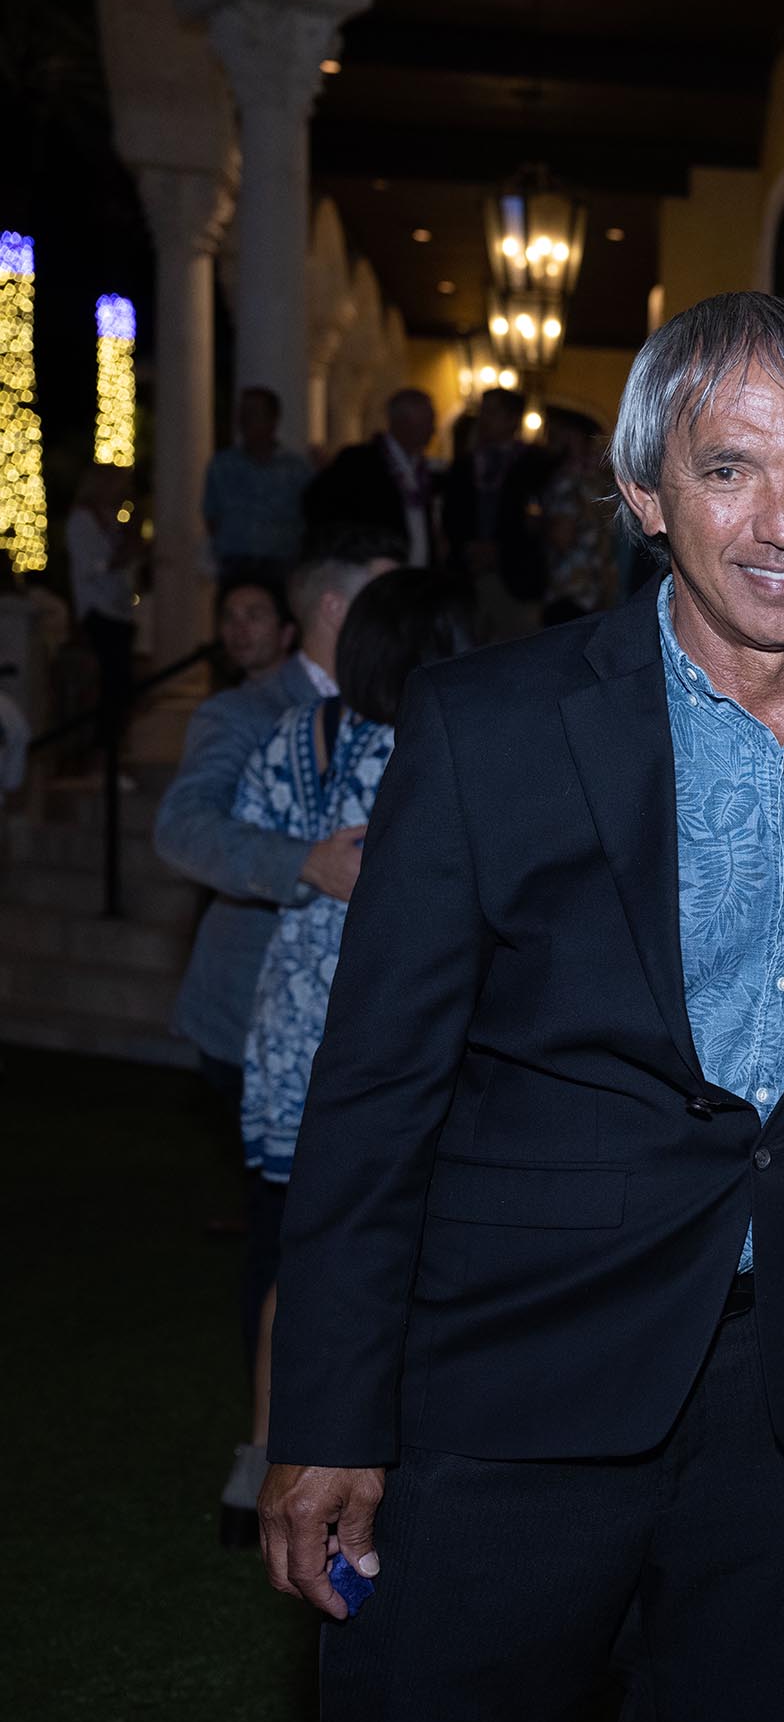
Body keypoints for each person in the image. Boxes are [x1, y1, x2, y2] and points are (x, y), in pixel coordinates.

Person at [255, 292, 784, 1722]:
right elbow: (372, 1098)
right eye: (728, 470)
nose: (780, 522)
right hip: (511, 1382)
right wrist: (323, 1418)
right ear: (647, 495)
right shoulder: (496, 726)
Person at [157, 535, 400, 1545]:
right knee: (284, 1242)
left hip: (355, 1027)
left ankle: (311, 1448)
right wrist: (306, 861)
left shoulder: (404, 716)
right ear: (338, 610)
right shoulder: (245, 712)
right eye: (390, 599)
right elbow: (184, 832)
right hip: (260, 1020)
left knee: (314, 1237)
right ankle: (267, 1458)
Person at [233, 568, 468, 1461]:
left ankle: (264, 1450)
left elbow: (256, 827)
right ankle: (355, 1442)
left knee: (304, 1248)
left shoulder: (300, 729)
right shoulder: (427, 745)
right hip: (375, 1018)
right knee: (369, 1249)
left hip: (289, 1009)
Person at [439, 383, 555, 645]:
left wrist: (499, 550)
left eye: (492, 413)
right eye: (483, 412)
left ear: (512, 419)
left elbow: (538, 524)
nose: (484, 420)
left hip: (516, 577)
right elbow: (451, 515)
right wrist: (467, 547)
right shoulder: (465, 464)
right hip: (468, 575)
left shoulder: (536, 464)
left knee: (521, 649)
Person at [64, 464, 142, 782]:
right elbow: (90, 567)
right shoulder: (82, 521)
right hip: (99, 613)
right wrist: (122, 556)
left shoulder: (111, 521)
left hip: (119, 611)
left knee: (120, 687)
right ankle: (100, 758)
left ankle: (108, 755)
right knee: (110, 686)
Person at [302, 388, 442, 566]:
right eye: (427, 422)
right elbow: (319, 506)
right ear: (402, 423)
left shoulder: (421, 468)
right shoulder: (359, 462)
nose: (433, 430)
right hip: (374, 569)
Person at [202, 386, 312, 572]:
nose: (244, 421)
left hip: (282, 566)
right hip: (234, 565)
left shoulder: (296, 469)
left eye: (253, 413)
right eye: (242, 414)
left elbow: (306, 517)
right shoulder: (222, 465)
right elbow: (211, 516)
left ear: (273, 419)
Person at [538, 407, 622, 621]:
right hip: (603, 589)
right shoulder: (609, 479)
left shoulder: (567, 480)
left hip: (571, 589)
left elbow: (561, 537)